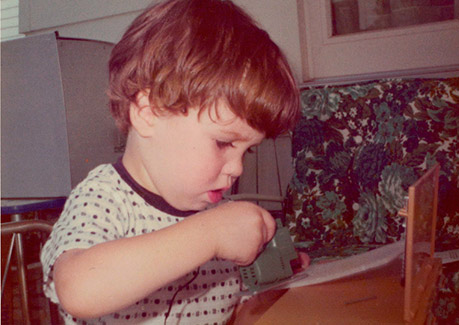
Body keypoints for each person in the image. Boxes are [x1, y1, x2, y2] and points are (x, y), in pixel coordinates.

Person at [41, 0, 303, 324]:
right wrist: (211, 234)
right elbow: (79, 289)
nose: (237, 169)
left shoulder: (214, 209)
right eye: (223, 143)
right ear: (148, 114)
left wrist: (275, 267)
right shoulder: (105, 200)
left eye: (247, 151)